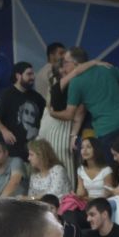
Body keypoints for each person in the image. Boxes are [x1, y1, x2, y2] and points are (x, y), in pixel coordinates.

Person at [60, 48, 119, 156]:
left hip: (107, 128)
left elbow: (72, 113)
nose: (63, 67)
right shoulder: (105, 67)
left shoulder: (75, 82)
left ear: (75, 63)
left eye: (65, 62)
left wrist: (51, 113)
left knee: (112, 169)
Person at [33, 43, 76, 172]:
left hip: (49, 119)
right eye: (61, 53)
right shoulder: (49, 73)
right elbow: (52, 103)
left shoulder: (43, 72)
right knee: (63, 161)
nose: (64, 57)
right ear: (51, 55)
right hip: (54, 119)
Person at [0, 62, 45, 160]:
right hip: (12, 154)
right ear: (18, 76)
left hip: (33, 154)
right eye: (29, 74)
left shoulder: (37, 97)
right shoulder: (6, 95)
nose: (33, 77)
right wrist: (4, 130)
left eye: (33, 74)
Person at [74, 135, 114, 203]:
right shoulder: (80, 170)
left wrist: (89, 199)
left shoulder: (106, 170)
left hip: (103, 204)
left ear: (96, 149)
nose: (84, 150)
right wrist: (76, 195)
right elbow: (80, 193)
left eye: (88, 147)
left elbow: (108, 195)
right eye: (82, 147)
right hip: (87, 203)